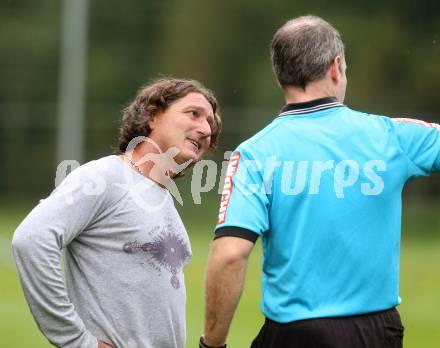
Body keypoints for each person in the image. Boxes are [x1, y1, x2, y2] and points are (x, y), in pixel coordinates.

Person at [201, 15, 440, 348]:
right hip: (377, 332)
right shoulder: (392, 136)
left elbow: (230, 255)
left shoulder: (255, 154)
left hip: (296, 334)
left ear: (280, 73)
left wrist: (211, 344)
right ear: (335, 66)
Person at [12, 78, 221, 348]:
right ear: (153, 116)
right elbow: (32, 239)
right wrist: (77, 341)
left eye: (210, 124)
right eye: (194, 114)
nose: (205, 129)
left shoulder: (162, 196)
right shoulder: (106, 176)